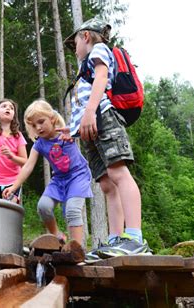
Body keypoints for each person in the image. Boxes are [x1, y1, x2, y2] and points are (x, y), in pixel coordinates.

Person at [61, 18, 151, 262]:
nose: (74, 49)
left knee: (119, 173)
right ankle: (115, 240)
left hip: (103, 117)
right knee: (106, 184)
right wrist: (71, 128)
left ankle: (134, 238)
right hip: (90, 126)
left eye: (75, 42)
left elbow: (101, 78)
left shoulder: (98, 49)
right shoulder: (83, 67)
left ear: (86, 37)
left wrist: (91, 112)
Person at [3, 100, 93, 245]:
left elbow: (87, 131)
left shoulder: (66, 132)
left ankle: (77, 248)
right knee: (43, 207)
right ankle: (58, 236)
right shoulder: (40, 143)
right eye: (33, 125)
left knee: (72, 210)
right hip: (58, 179)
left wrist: (74, 132)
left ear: (52, 119)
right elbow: (27, 166)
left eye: (41, 121)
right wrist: (14, 187)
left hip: (78, 176)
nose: (38, 127)